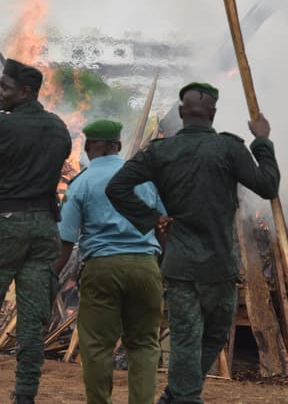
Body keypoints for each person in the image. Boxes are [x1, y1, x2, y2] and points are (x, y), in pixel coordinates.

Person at [105, 82, 280, 404]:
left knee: (190, 337)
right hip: (219, 266)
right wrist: (262, 140)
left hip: (182, 264)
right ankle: (186, 398)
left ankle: (176, 394)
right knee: (210, 335)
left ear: (182, 113)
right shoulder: (230, 148)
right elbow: (269, 186)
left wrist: (151, 218)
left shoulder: (160, 151)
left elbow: (116, 188)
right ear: (213, 114)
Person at [0, 58, 72, 404]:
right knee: (32, 324)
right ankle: (24, 396)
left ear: (25, 92)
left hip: (5, 228)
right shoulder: (59, 128)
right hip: (45, 229)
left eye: (5, 87)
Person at [56, 119, 165, 404]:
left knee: (97, 347)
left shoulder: (81, 183)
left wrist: (49, 277)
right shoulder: (144, 178)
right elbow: (165, 226)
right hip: (145, 266)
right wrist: (163, 268)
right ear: (118, 146)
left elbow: (66, 240)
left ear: (89, 146)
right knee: (144, 345)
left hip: (102, 268)